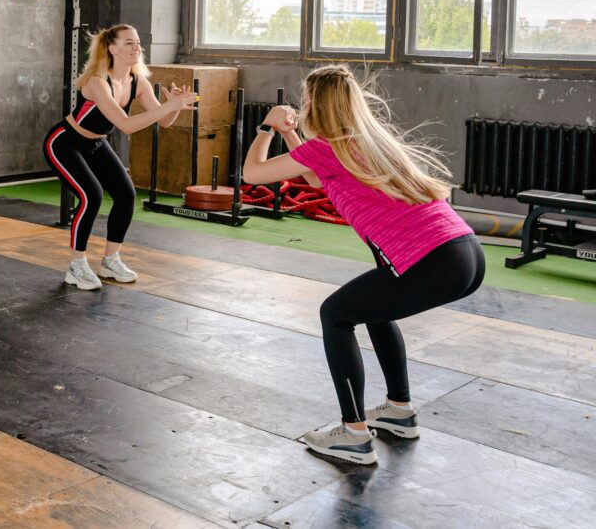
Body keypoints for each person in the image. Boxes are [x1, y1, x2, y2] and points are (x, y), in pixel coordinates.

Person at [242, 65, 484, 464]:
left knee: (335, 314)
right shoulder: (368, 140)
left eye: (306, 101)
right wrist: (290, 135)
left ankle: (353, 433)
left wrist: (266, 129)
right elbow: (320, 180)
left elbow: (253, 173)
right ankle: (398, 410)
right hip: (464, 252)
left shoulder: (327, 148)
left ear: (316, 104)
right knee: (374, 307)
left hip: (436, 260)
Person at [43, 24, 197, 290]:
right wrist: (169, 107)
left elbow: (166, 122)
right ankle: (76, 265)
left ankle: (110, 260)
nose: (136, 47)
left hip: (96, 144)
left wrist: (175, 106)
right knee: (92, 195)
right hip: (64, 143)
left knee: (126, 194)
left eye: (137, 43)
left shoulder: (138, 82)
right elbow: (126, 125)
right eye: (128, 43)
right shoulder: (97, 82)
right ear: (112, 48)